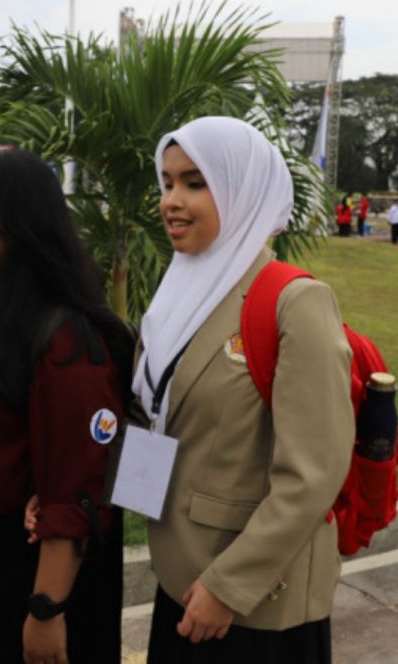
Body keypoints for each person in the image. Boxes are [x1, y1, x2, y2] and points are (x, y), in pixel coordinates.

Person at [131, 116, 353, 663]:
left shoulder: (293, 301)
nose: (171, 201)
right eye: (166, 182)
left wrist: (228, 587)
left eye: (194, 183)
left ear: (242, 190)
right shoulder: (178, 291)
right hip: (179, 578)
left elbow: (312, 473)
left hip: (253, 606)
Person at [0, 149, 131, 663]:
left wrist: (46, 609)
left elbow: (76, 487)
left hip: (27, 581)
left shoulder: (63, 338)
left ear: (23, 221)